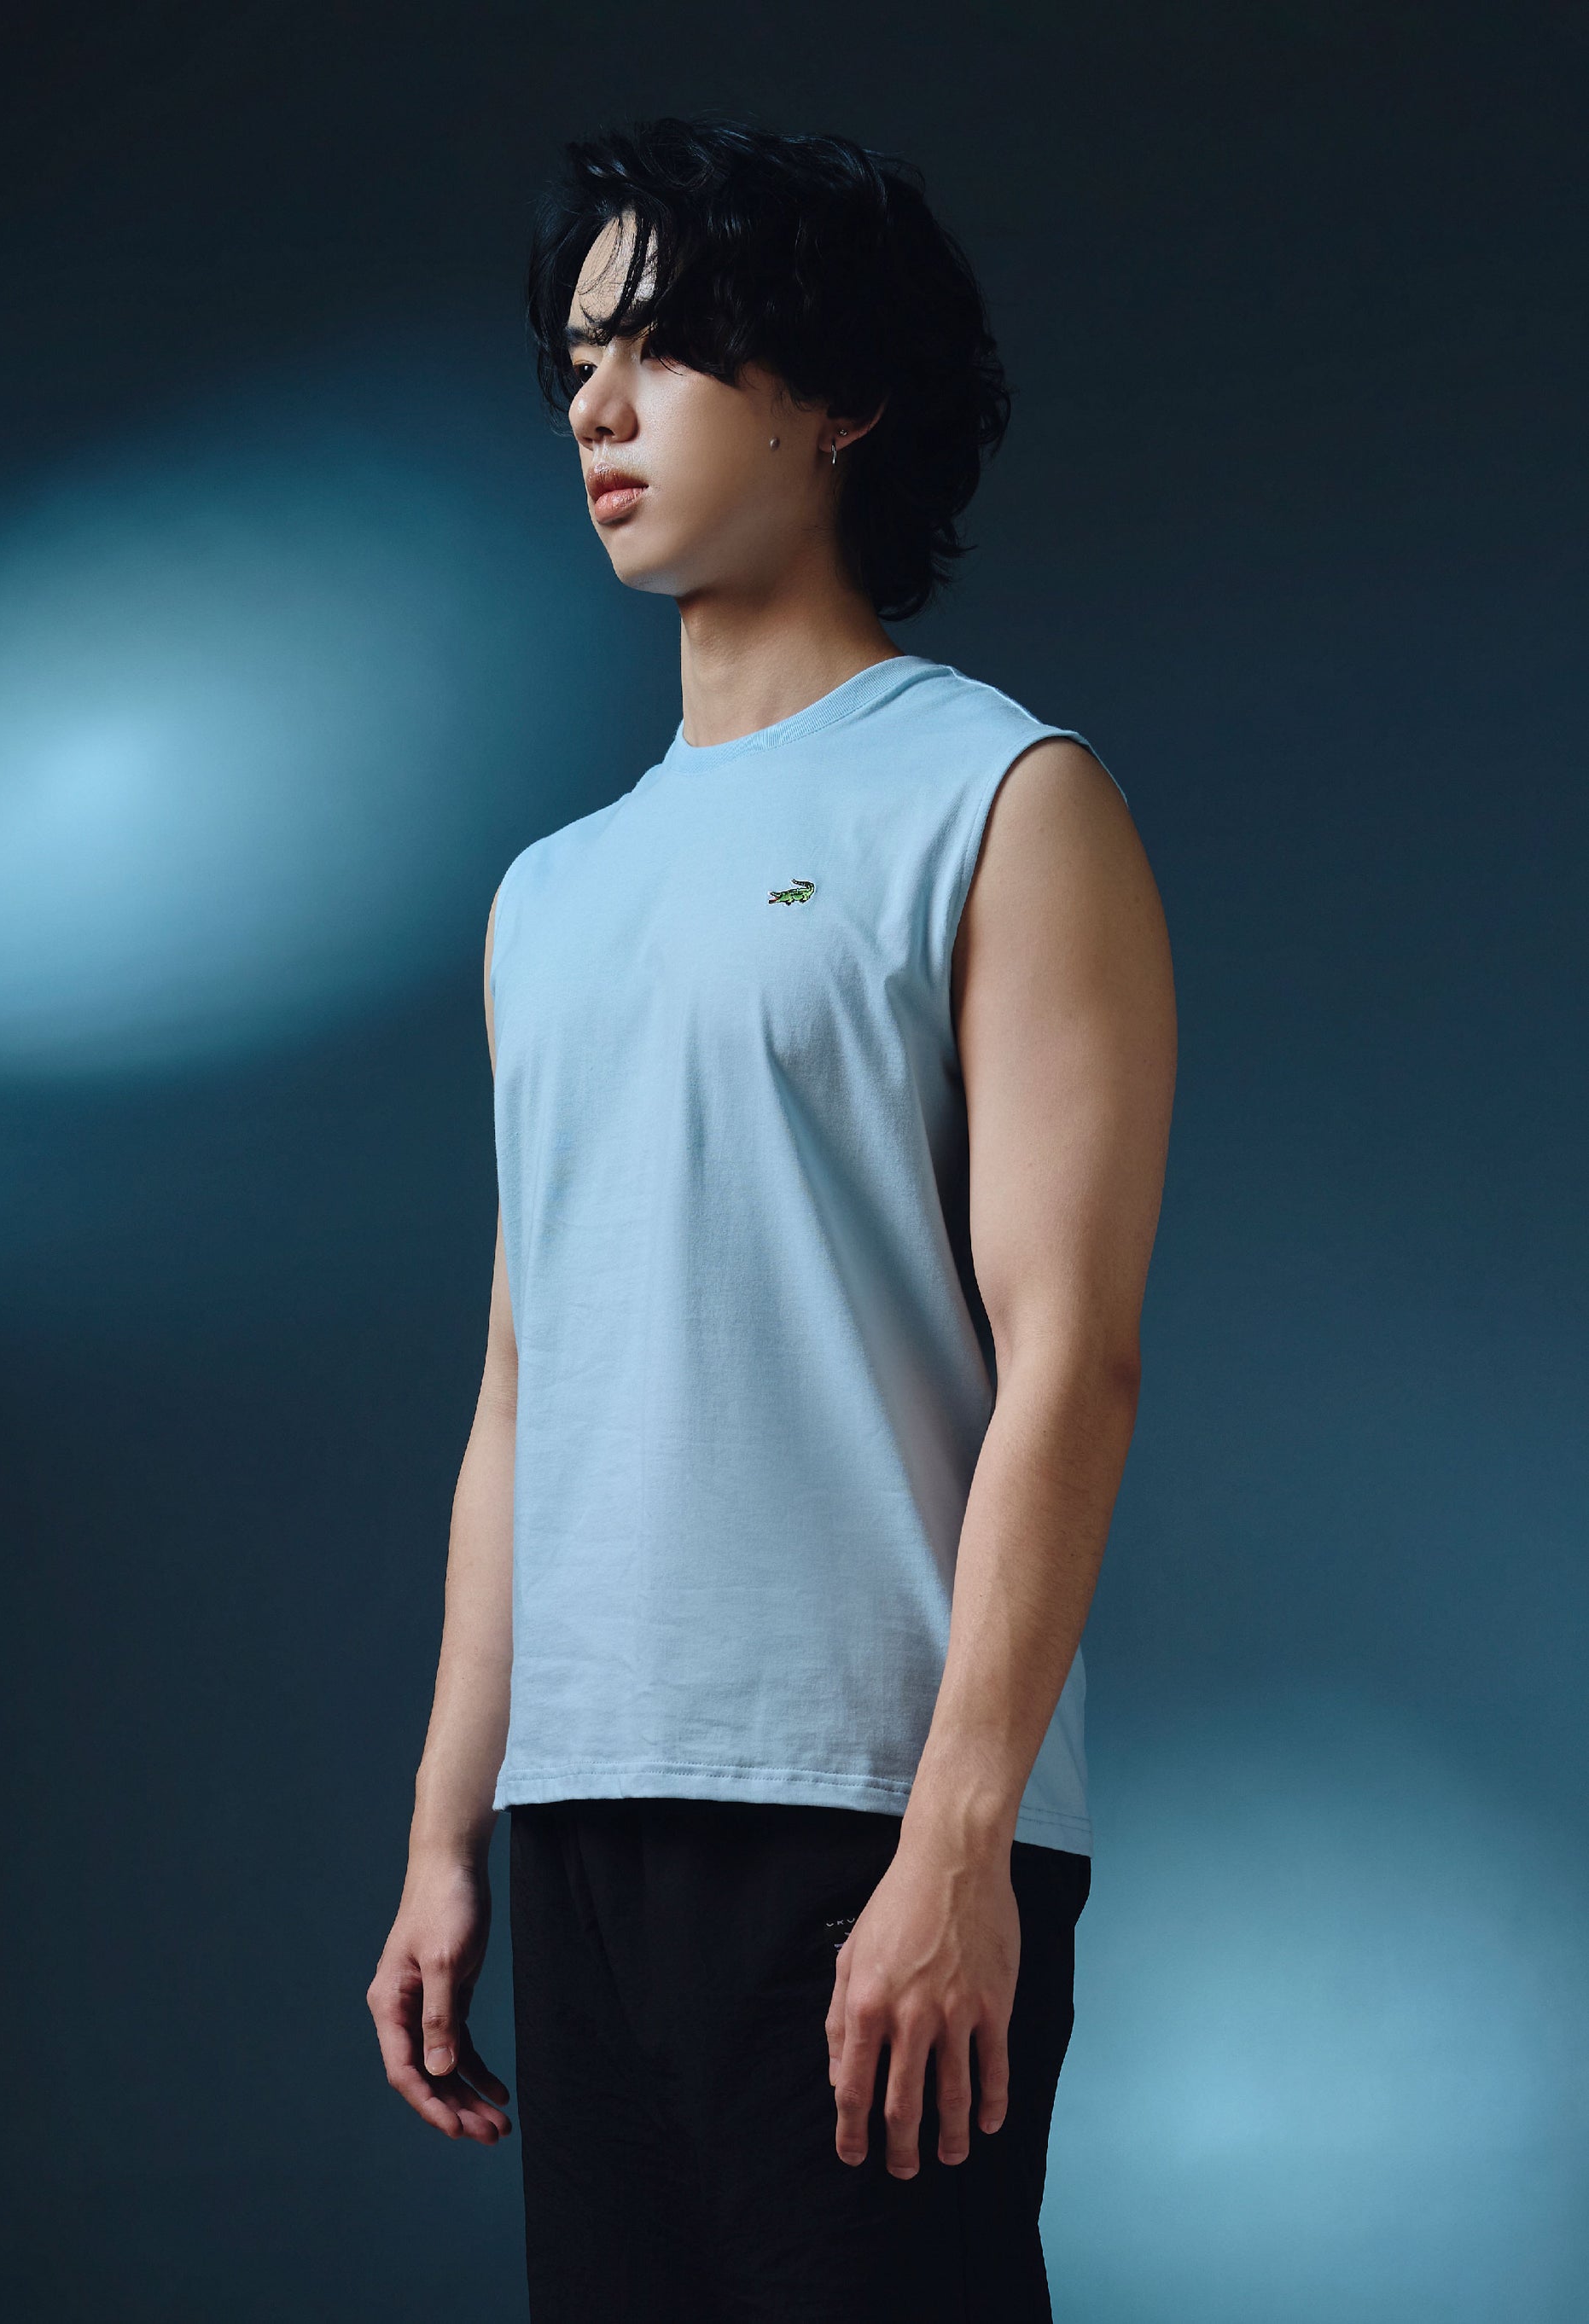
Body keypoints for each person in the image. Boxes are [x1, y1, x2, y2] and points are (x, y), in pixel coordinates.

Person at [367, 114, 1176, 2321]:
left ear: (842, 396)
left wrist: (958, 1841)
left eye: (663, 349)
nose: (595, 410)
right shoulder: (549, 895)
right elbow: (520, 1397)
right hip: (585, 1820)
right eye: (576, 361)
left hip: (867, 1809)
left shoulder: (997, 798)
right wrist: (447, 1833)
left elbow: (1072, 1352)